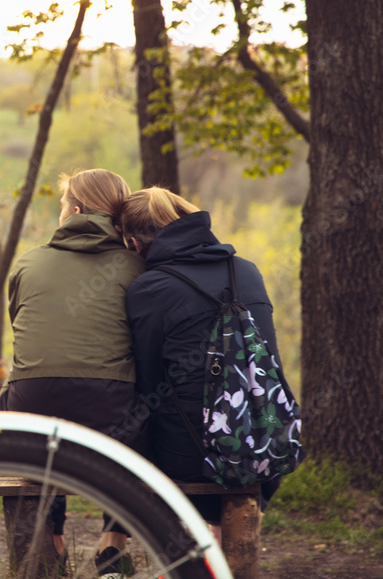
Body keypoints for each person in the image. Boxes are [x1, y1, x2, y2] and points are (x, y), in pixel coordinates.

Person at [120, 187, 286, 539]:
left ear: (134, 244)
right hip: (267, 444)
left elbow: (148, 385)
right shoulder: (246, 271)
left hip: (193, 458)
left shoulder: (149, 288)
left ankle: (182, 549)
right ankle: (220, 541)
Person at [2, 169, 144, 578]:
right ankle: (112, 546)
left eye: (63, 203)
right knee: (143, 410)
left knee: (41, 409)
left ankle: (54, 544)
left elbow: (25, 332)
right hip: (110, 411)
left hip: (32, 405)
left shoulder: (29, 262)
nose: (61, 210)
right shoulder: (136, 267)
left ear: (76, 209)